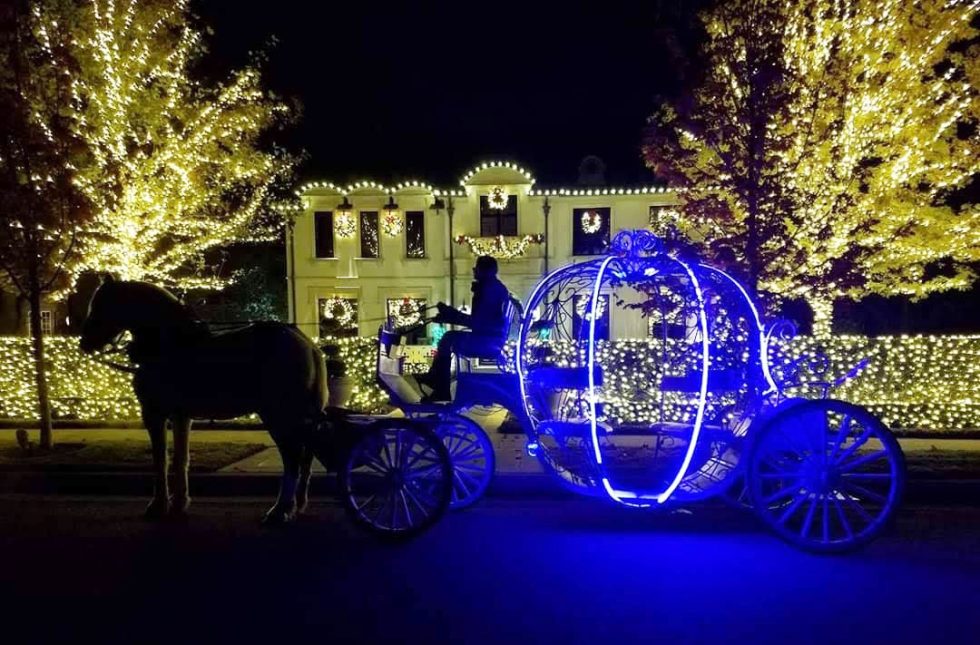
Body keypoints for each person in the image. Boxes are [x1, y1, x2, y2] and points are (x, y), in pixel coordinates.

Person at [417, 255, 511, 401]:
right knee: (449, 337)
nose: (474, 272)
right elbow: (480, 321)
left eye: (476, 269)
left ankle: (440, 387)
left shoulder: (488, 290)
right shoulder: (494, 288)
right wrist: (449, 314)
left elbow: (477, 323)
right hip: (491, 339)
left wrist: (449, 315)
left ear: (483, 271)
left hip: (487, 342)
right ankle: (436, 380)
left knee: (448, 339)